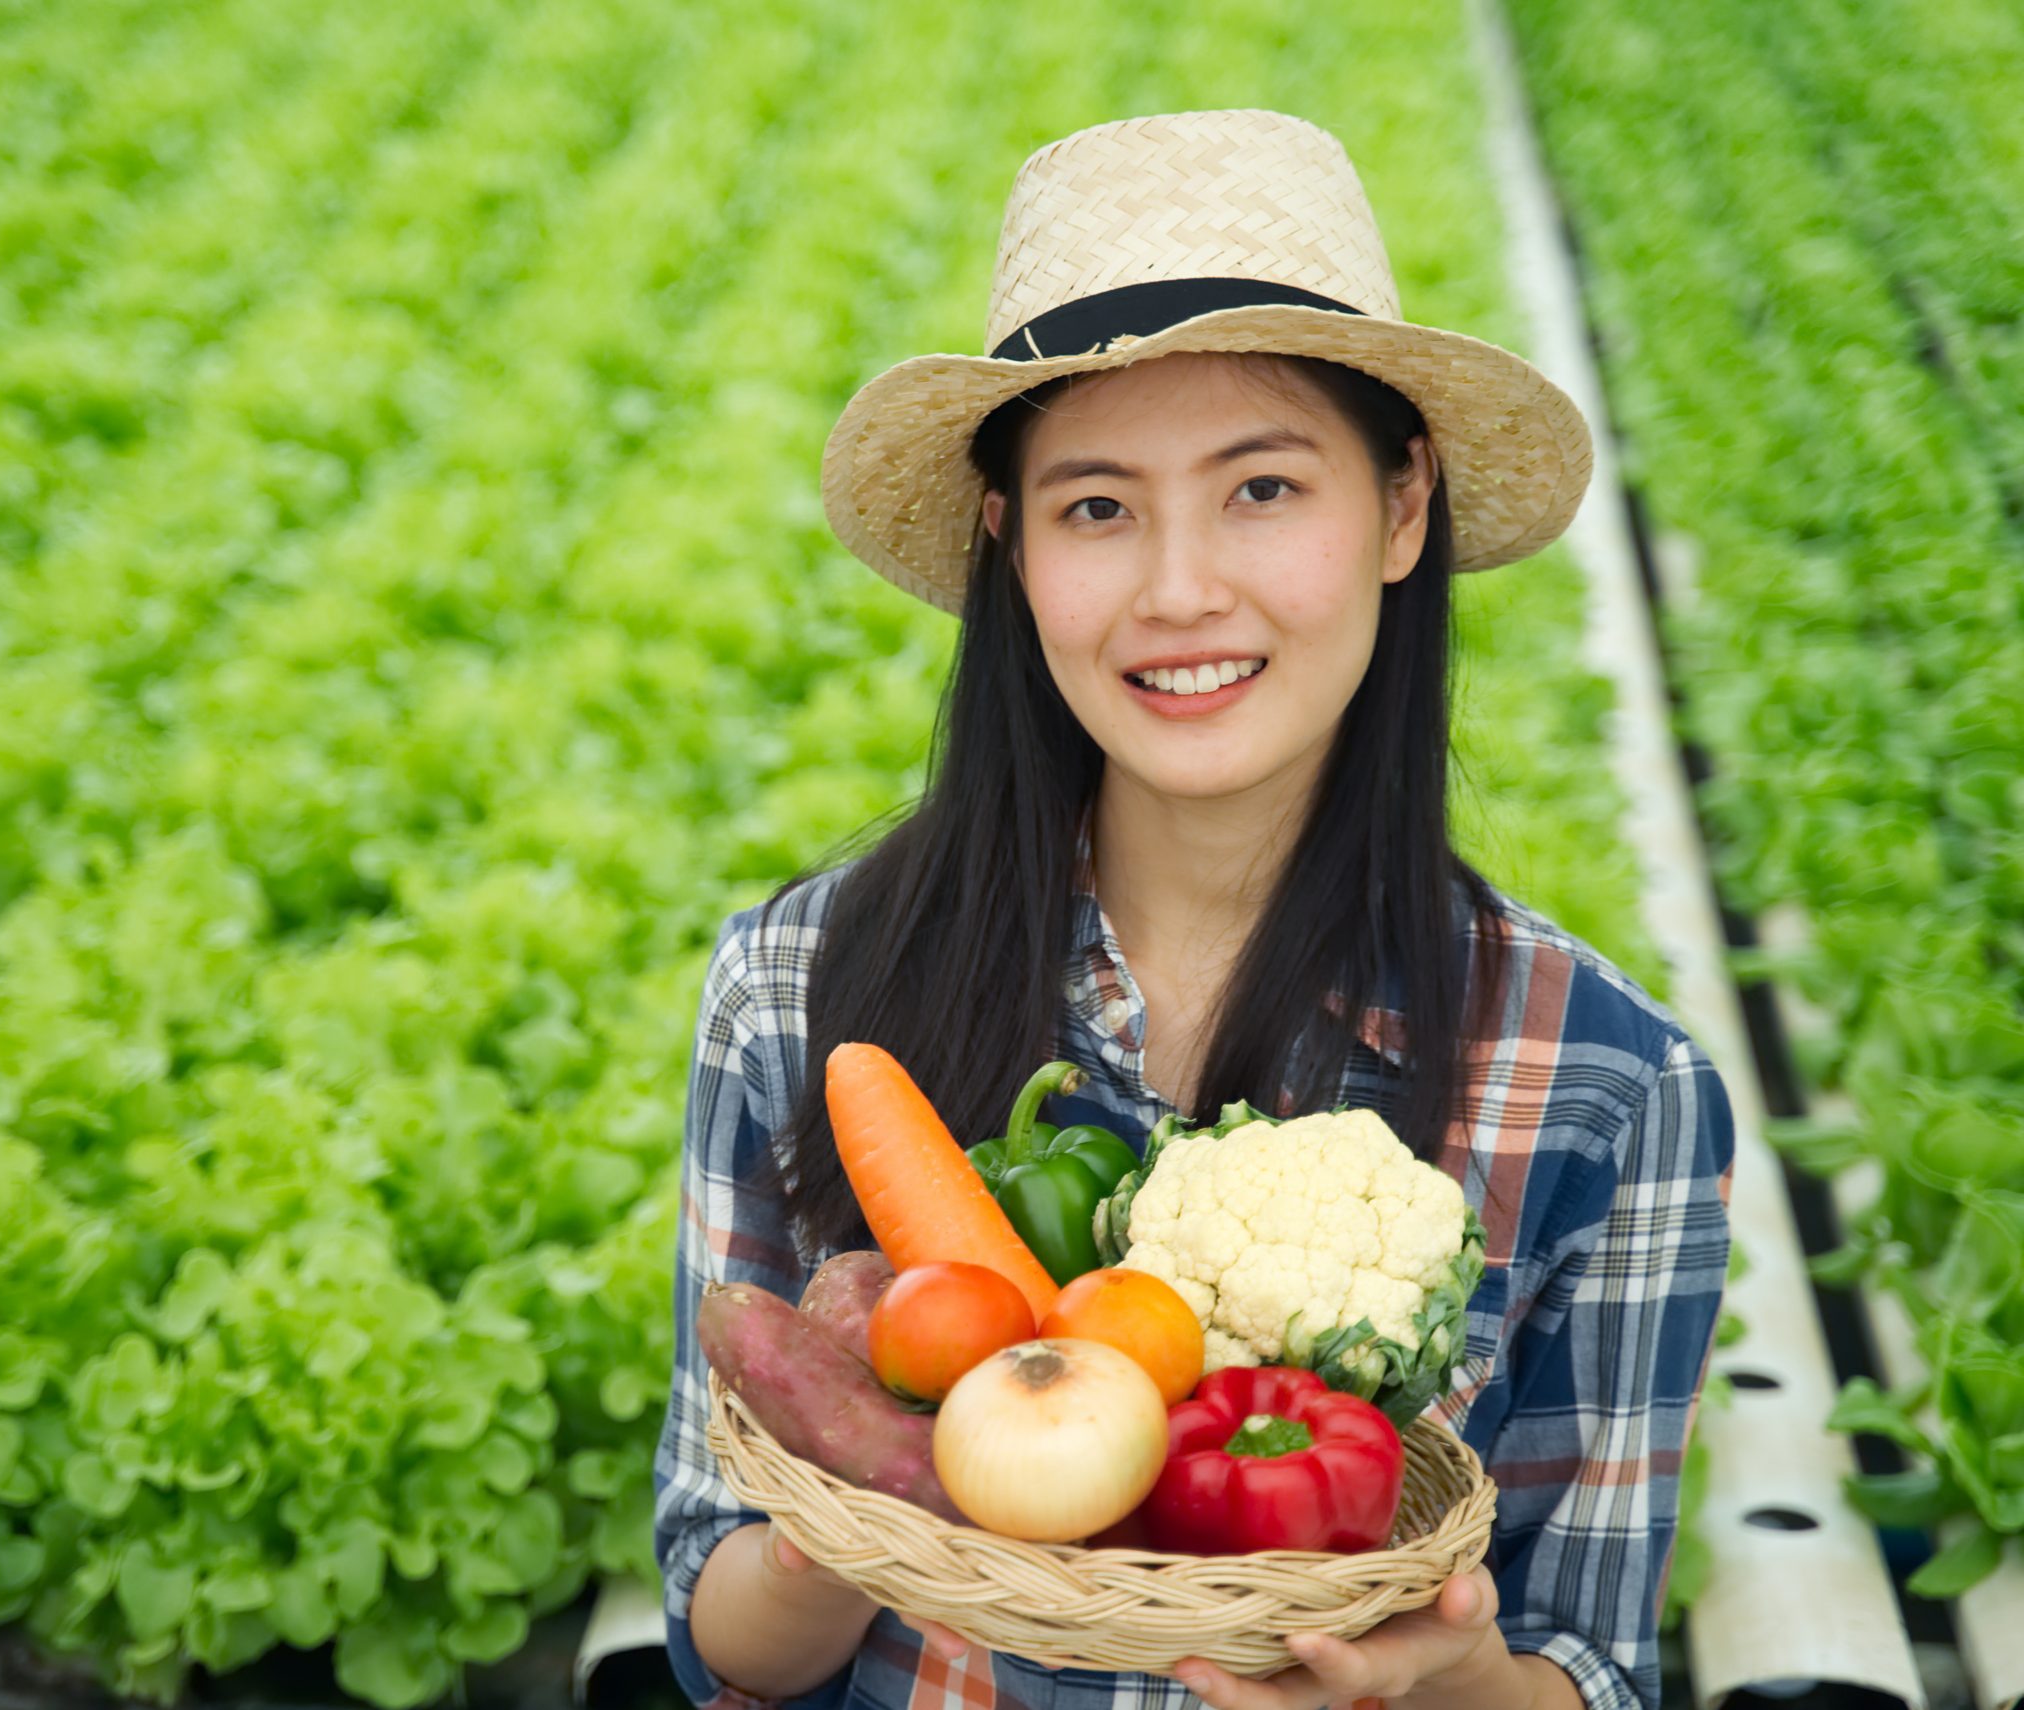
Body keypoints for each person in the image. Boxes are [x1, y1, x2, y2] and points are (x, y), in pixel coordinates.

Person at [652, 110, 1736, 1710]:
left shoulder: (1608, 1084)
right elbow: (707, 1620)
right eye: (1098, 506)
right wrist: (845, 1517)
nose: (1177, 591)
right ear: (1012, 545)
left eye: (1262, 488)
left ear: (1402, 506)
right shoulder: (803, 978)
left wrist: (1437, 1683)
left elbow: (1592, 1665)